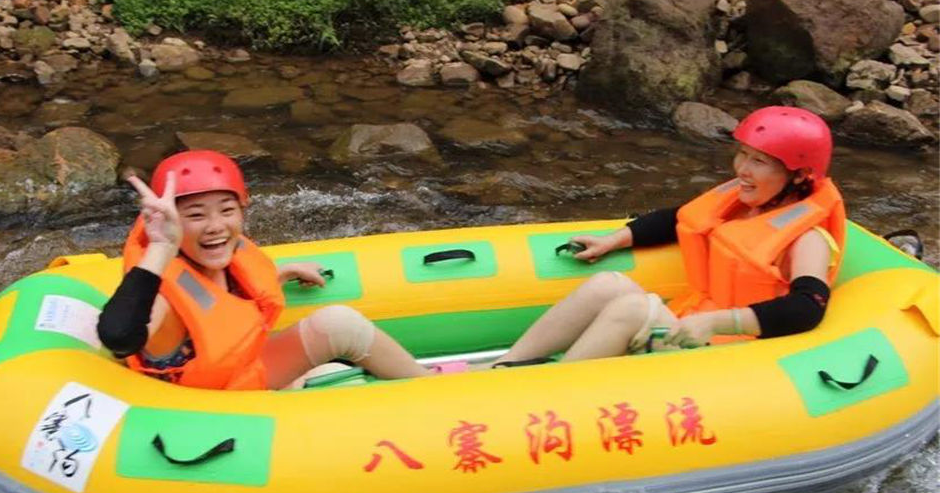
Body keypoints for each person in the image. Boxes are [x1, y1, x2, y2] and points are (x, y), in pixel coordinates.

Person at [492, 106, 846, 365]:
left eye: (759, 162)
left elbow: (808, 307)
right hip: (695, 325)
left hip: (733, 351)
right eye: (742, 155)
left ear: (798, 176)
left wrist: (715, 322)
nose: (742, 169)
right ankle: (505, 366)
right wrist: (616, 239)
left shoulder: (807, 238)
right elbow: (678, 219)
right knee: (608, 285)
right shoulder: (744, 204)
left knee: (633, 308)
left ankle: (547, 390)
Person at [97, 150, 434, 390]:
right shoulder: (162, 295)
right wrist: (160, 247)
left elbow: (219, 302)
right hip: (208, 412)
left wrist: (282, 273)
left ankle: (427, 388)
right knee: (339, 353)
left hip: (241, 376)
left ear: (242, 209)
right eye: (196, 215)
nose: (215, 226)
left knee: (335, 348)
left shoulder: (218, 256)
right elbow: (119, 337)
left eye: (226, 210)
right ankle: (432, 395)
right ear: (169, 220)